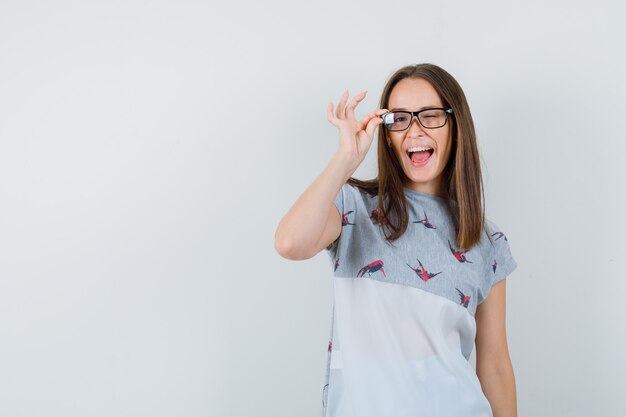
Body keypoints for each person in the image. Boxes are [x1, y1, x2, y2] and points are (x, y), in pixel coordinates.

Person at [274, 63, 519, 417]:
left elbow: (495, 366)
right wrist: (345, 158)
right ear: (387, 134)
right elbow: (290, 243)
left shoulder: (488, 241)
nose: (414, 130)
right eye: (399, 118)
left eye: (431, 115)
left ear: (455, 125)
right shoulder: (353, 208)